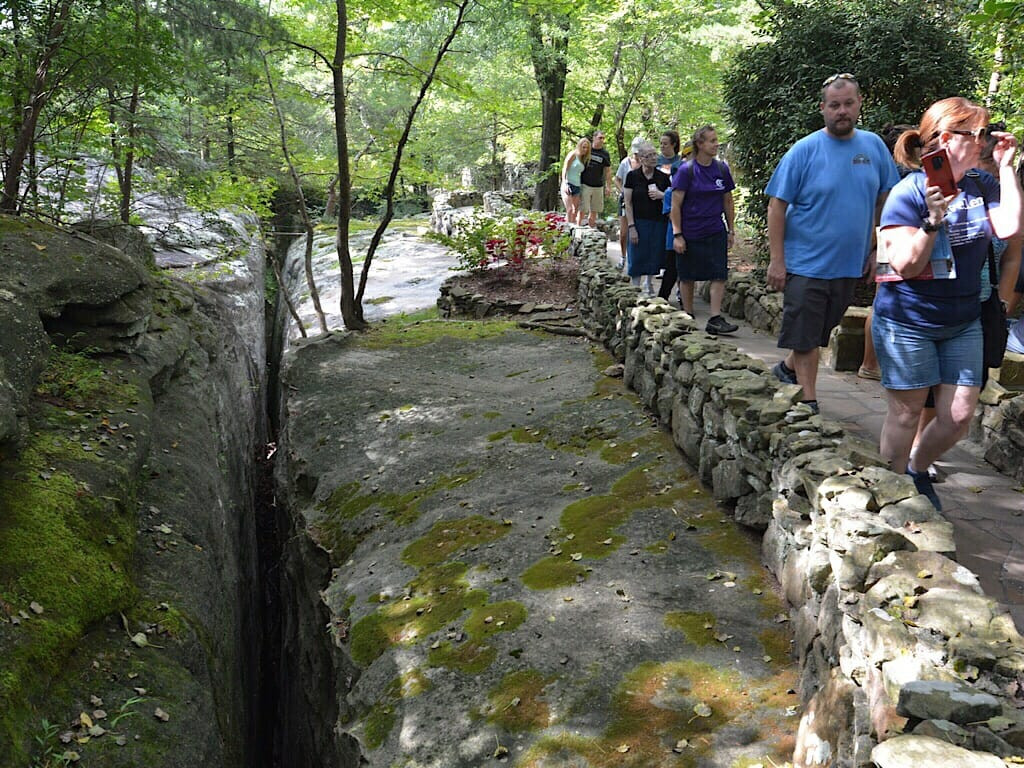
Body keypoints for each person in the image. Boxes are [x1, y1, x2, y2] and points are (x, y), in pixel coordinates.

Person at [873, 97, 1022, 510]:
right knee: (905, 414)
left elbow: (1009, 227)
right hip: (908, 321)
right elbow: (904, 264)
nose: (984, 142)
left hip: (962, 320)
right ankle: (891, 495)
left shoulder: (981, 184)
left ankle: (917, 471)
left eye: (985, 134)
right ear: (944, 139)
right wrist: (932, 222)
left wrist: (1007, 167)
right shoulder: (909, 193)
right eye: (976, 134)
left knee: (958, 416)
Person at [765, 73, 900, 414]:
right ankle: (808, 399)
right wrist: (777, 260)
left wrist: (877, 252)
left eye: (848, 104)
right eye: (835, 105)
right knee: (807, 335)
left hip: (849, 265)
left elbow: (888, 201)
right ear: (823, 108)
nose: (842, 111)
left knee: (823, 330)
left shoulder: (873, 147)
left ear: (859, 105)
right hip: (805, 263)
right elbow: (776, 205)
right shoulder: (804, 150)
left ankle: (787, 369)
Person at [669, 125, 739, 335]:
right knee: (688, 275)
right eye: (712, 140)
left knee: (719, 275)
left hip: (715, 229)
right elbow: (675, 205)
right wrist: (677, 234)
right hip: (690, 231)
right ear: (700, 144)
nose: (716, 144)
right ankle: (687, 316)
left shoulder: (721, 169)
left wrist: (731, 230)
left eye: (716, 140)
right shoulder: (686, 171)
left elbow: (728, 200)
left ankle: (715, 319)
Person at [623, 141, 670, 294]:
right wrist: (631, 226)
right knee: (637, 254)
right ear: (641, 159)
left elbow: (671, 200)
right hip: (638, 221)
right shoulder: (632, 176)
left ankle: (648, 285)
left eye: (655, 154)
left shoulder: (663, 177)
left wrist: (661, 195)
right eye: (649, 155)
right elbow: (628, 203)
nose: (653, 158)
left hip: (658, 221)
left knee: (654, 254)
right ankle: (635, 287)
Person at [657, 131, 685, 303]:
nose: (662, 146)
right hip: (672, 232)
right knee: (671, 266)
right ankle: (662, 297)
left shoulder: (679, 163)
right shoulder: (670, 193)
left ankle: (680, 296)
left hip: (684, 231)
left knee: (681, 267)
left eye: (665, 143)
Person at [615, 138, 643, 269]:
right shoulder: (625, 162)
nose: (637, 155)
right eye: (635, 152)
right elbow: (617, 180)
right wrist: (623, 192)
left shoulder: (645, 163)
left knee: (638, 231)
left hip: (640, 200)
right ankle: (622, 257)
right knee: (624, 232)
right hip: (625, 200)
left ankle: (636, 259)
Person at [580, 130, 613, 227]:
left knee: (594, 210)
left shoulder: (605, 154)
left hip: (598, 186)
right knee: (582, 209)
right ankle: (577, 232)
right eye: (600, 138)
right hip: (585, 184)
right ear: (594, 138)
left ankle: (590, 232)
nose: (602, 140)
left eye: (603, 138)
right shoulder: (587, 149)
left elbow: (608, 171)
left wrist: (608, 186)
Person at [560, 137, 591, 225]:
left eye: (587, 148)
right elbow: (565, 168)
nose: (585, 149)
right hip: (568, 183)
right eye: (583, 147)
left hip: (577, 185)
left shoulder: (584, 159)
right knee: (569, 209)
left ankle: (571, 229)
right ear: (579, 146)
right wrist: (564, 182)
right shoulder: (573, 154)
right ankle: (568, 231)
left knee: (575, 209)